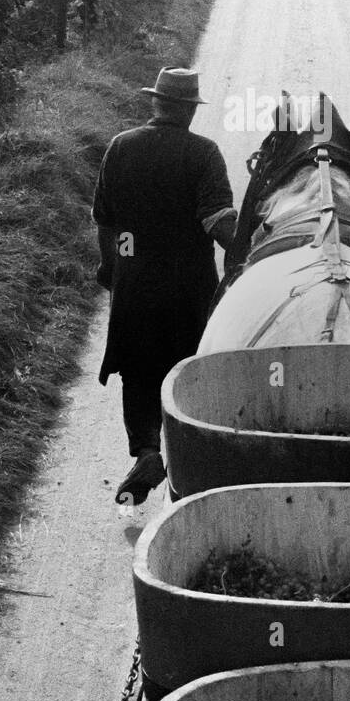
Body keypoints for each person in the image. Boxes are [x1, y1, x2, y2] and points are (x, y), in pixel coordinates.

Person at [92, 67, 236, 504]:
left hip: (134, 285)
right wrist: (252, 239)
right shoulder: (203, 153)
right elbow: (219, 224)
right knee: (187, 370)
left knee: (137, 372)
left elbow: (105, 220)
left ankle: (148, 452)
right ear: (190, 112)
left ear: (155, 103)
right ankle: (190, 461)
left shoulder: (121, 147)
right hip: (190, 290)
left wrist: (111, 266)